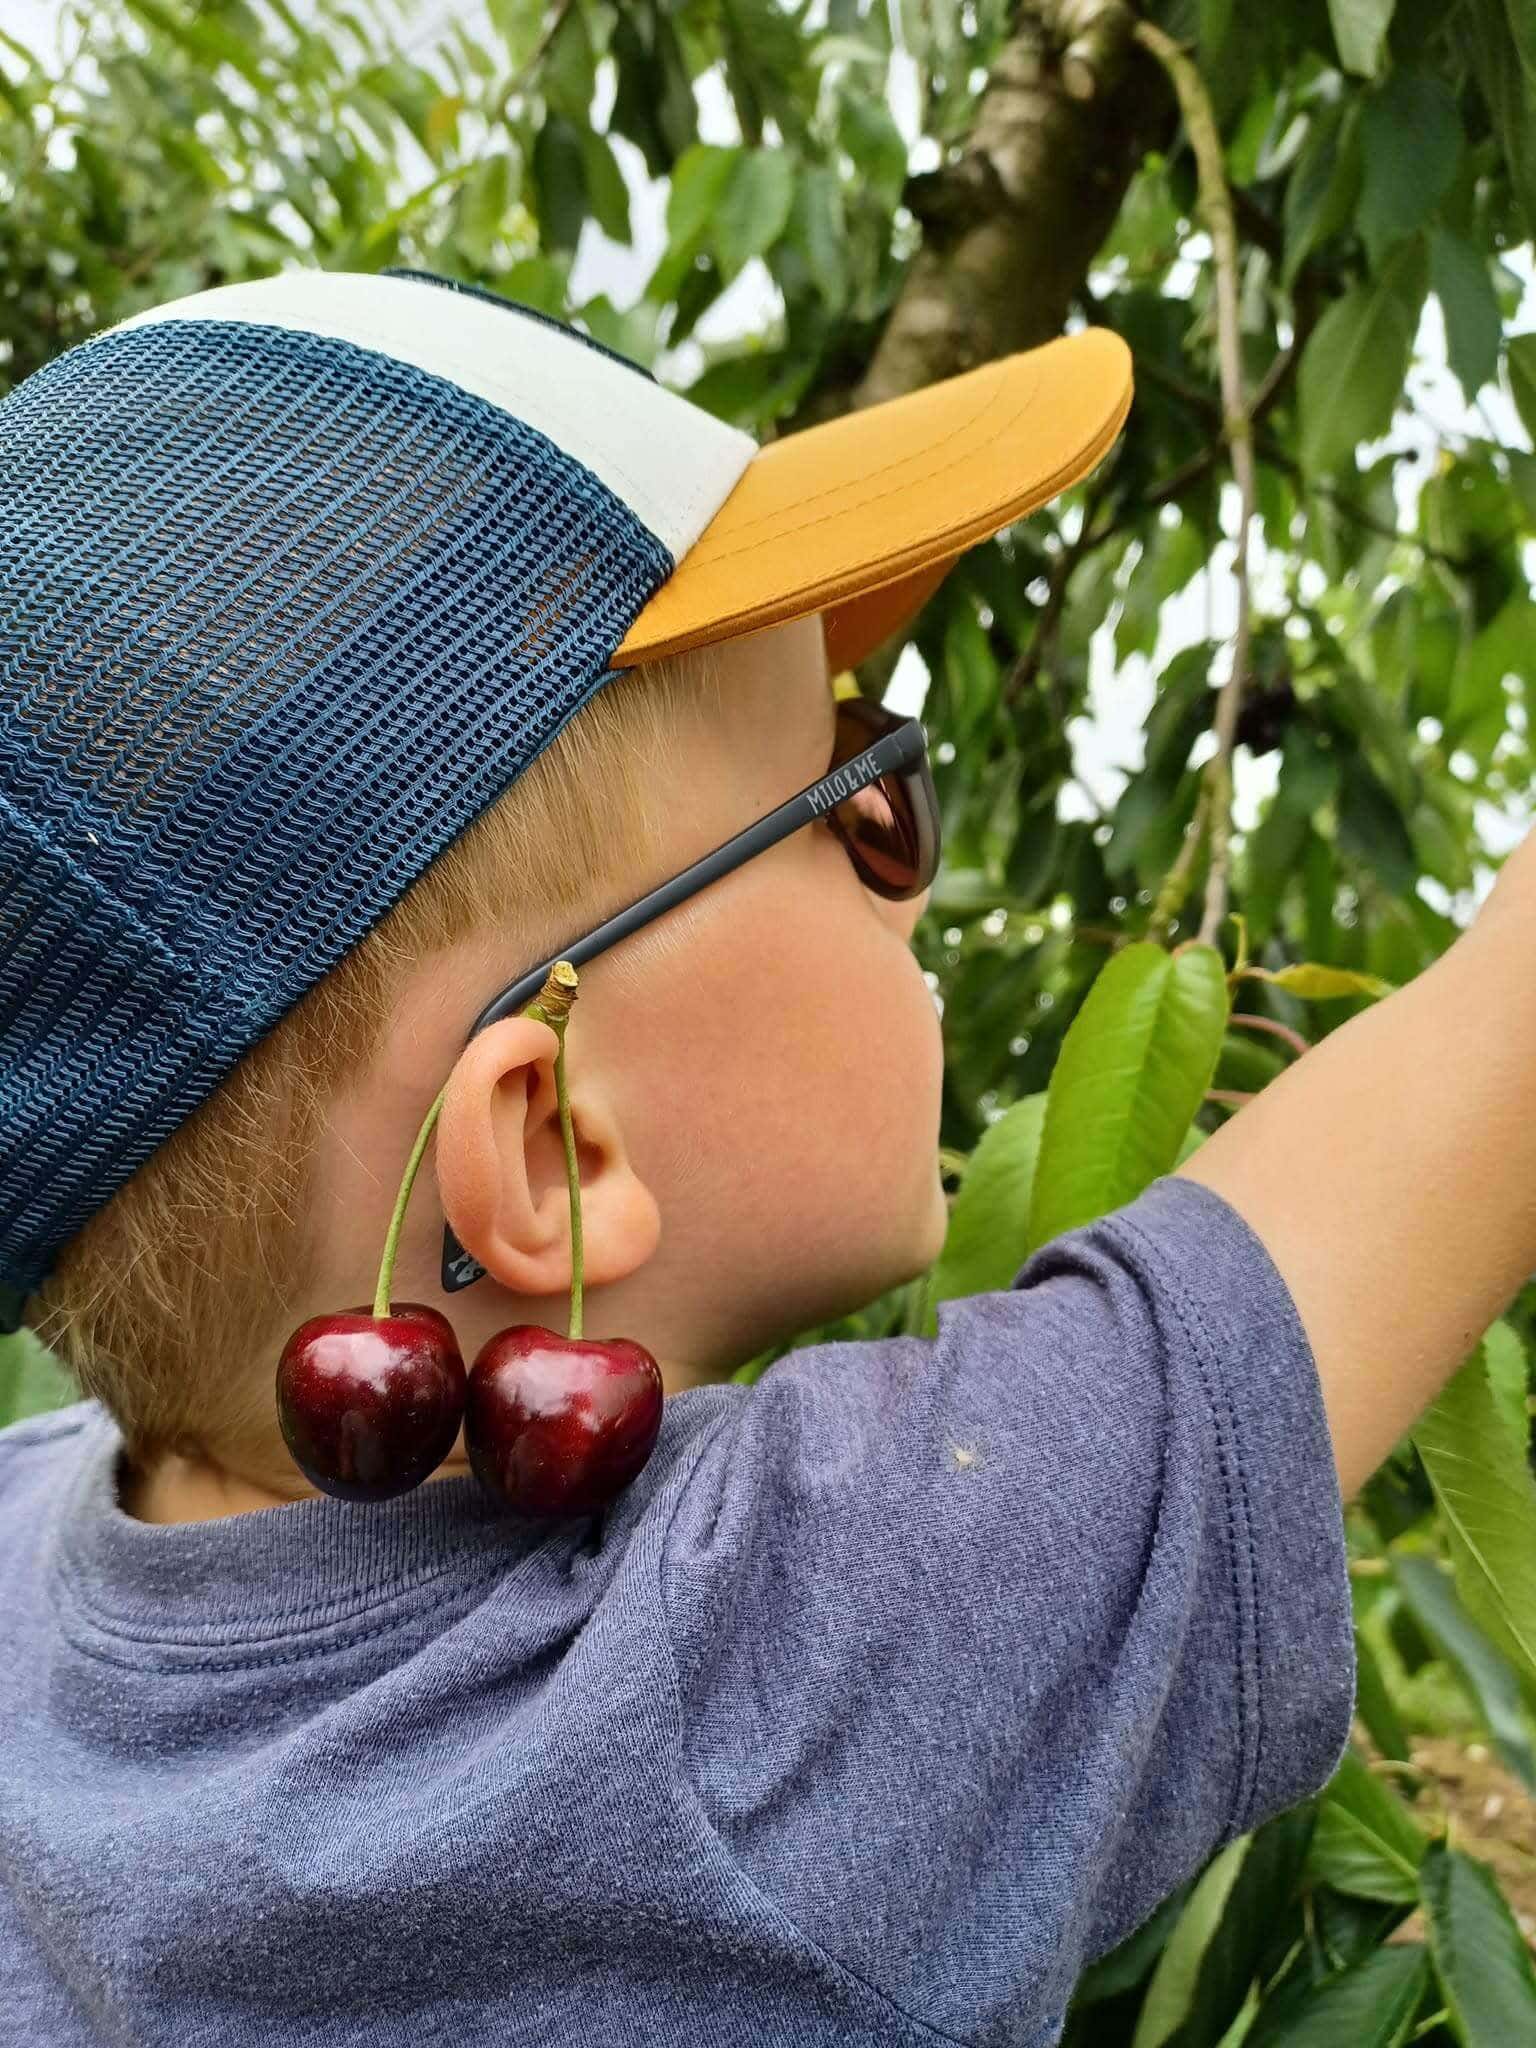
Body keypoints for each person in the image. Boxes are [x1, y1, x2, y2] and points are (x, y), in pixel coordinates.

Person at [0, 264, 1512, 2046]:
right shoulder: (776, 1669)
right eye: (861, 784)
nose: (922, 865)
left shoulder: (32, 1525)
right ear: (552, 1143)